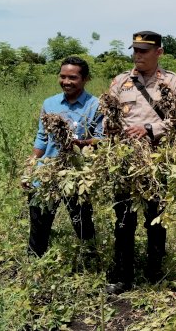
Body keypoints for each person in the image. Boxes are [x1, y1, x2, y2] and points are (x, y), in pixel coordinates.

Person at [105, 31, 176, 294]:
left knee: (155, 218)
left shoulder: (172, 83)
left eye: (144, 51)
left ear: (159, 53)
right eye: (135, 50)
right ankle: (123, 276)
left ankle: (154, 272)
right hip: (126, 161)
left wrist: (149, 128)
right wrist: (112, 129)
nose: (138, 55)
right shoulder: (120, 82)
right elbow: (107, 117)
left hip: (157, 161)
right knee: (124, 219)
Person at [24, 56, 103, 260]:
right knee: (39, 220)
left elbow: (101, 140)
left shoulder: (95, 105)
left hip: (77, 173)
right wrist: (31, 165)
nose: (66, 82)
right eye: (63, 76)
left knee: (82, 220)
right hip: (47, 170)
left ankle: (89, 260)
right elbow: (42, 138)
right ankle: (34, 260)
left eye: (73, 77)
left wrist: (79, 144)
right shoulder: (49, 103)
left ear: (85, 79)